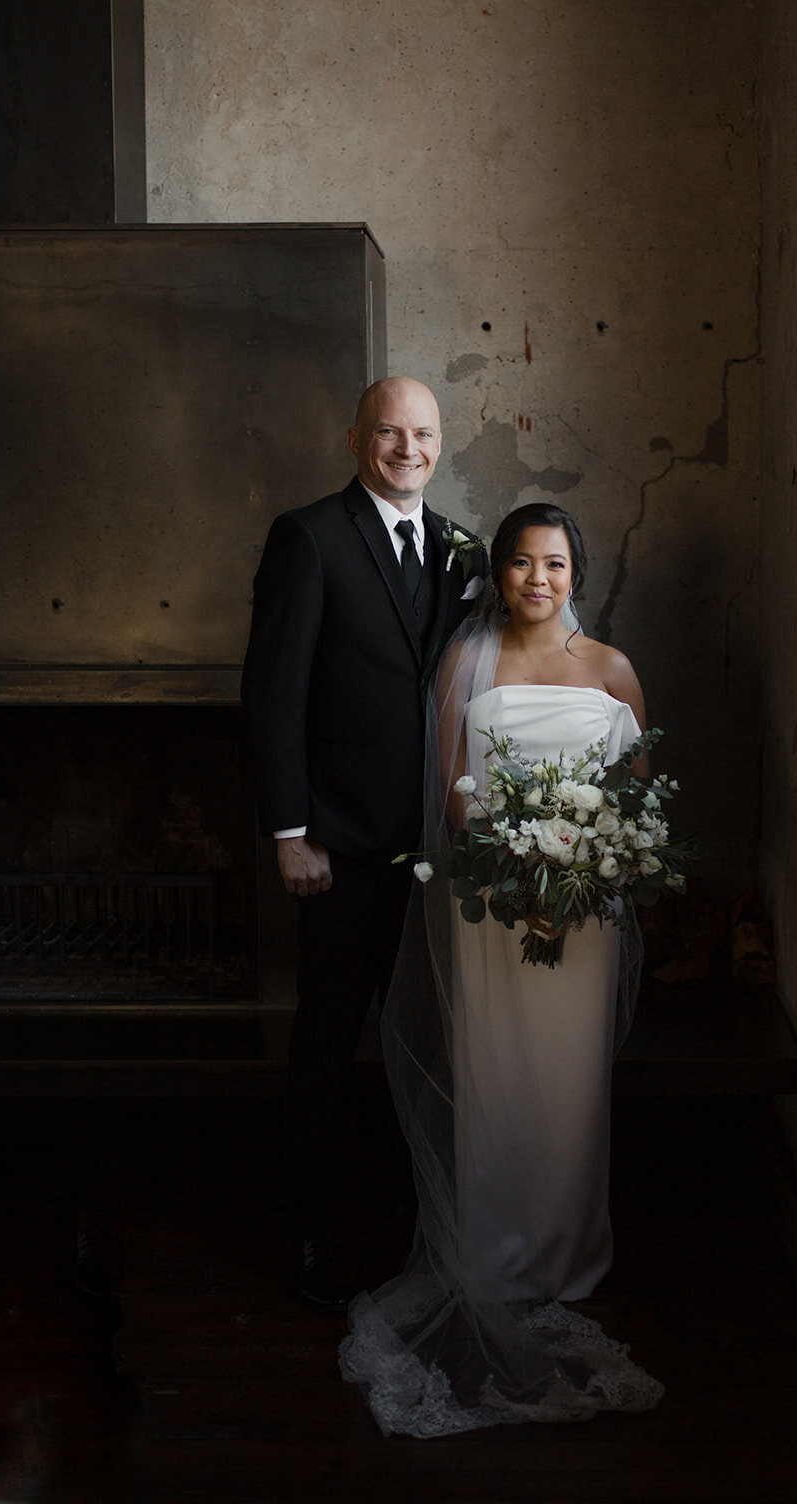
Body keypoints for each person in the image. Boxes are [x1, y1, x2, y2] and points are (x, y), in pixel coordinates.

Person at [340, 502, 665, 1435]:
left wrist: (583, 860)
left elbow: (635, 793)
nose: (537, 580)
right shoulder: (464, 662)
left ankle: (567, 1254)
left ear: (577, 573)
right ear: (501, 573)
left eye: (554, 565)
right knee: (497, 1074)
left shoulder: (612, 671)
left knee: (569, 1083)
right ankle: (490, 1250)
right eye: (521, 564)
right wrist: (508, 859)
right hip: (491, 909)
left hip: (582, 914)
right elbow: (448, 789)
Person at [241, 376, 485, 1312]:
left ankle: (407, 1213)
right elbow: (274, 694)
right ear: (355, 438)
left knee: (420, 1036)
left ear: (440, 440)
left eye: (421, 433)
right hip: (336, 846)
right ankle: (307, 1227)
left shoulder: (461, 545)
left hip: (434, 847)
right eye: (389, 432)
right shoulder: (308, 538)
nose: (407, 448)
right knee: (327, 1039)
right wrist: (290, 831)